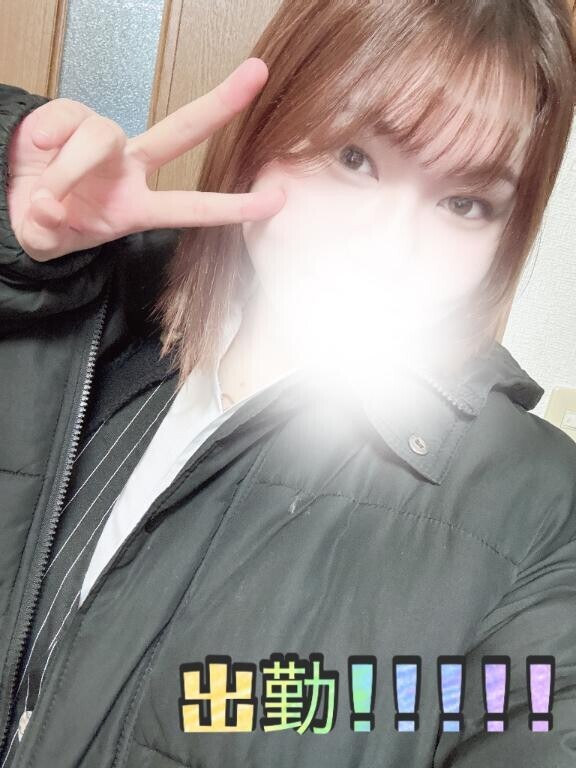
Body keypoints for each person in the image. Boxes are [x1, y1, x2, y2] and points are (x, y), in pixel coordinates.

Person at [0, 1, 575, 766]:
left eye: (464, 203)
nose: (389, 249)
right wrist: (11, 240)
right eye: (354, 158)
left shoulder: (539, 509)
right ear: (267, 124)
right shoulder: (70, 312)